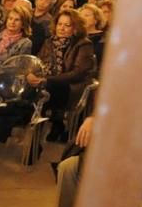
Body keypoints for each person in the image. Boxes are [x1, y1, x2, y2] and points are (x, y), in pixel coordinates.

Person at [31, 8, 95, 142]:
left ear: (75, 27)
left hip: (71, 86)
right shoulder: (49, 42)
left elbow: (77, 73)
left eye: (67, 25)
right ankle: (34, 121)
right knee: (32, 87)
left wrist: (46, 79)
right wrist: (32, 73)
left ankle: (46, 124)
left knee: (45, 91)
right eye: (60, 24)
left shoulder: (84, 44)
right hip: (48, 83)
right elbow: (38, 61)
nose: (62, 28)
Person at [0, 3, 33, 70]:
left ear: (23, 24)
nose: (12, 22)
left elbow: (15, 65)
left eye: (17, 20)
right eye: (10, 18)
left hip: (7, 77)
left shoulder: (25, 43)